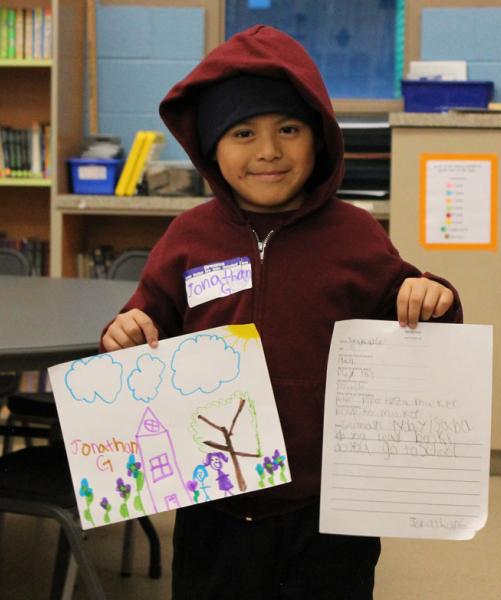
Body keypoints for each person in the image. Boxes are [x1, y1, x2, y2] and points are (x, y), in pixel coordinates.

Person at [100, 24, 463, 600]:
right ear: (211, 148)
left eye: (288, 129)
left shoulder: (357, 235)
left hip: (331, 510)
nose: (268, 151)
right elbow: (145, 323)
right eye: (243, 132)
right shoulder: (188, 237)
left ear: (318, 139)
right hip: (214, 508)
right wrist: (125, 330)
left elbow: (418, 319)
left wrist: (431, 296)